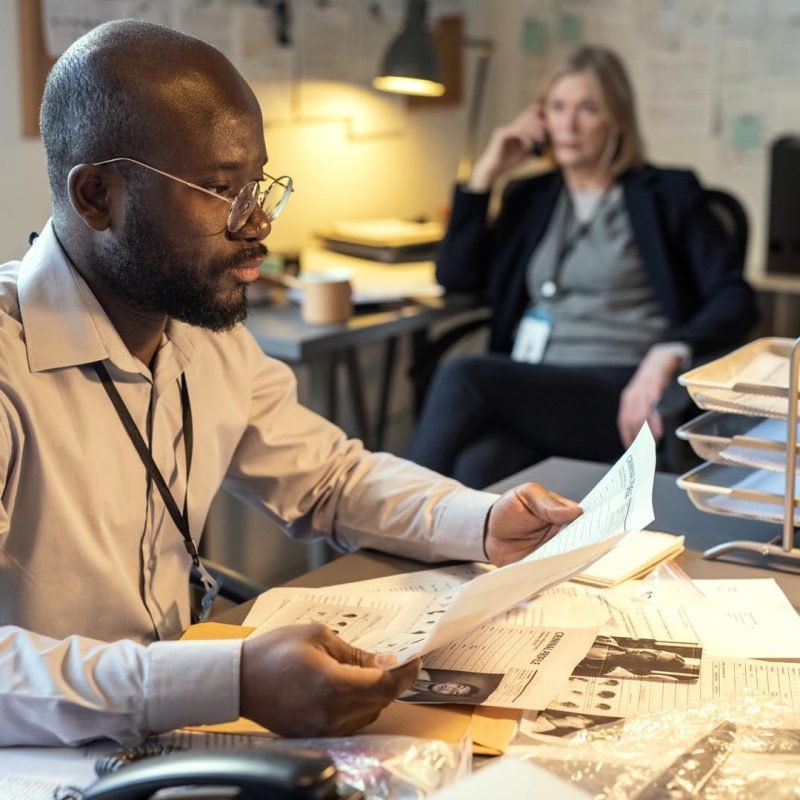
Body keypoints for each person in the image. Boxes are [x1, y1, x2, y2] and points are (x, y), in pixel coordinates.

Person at [0, 20, 584, 748]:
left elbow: (327, 480)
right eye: (219, 190)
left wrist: (482, 524)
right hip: (39, 758)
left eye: (258, 184)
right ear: (97, 197)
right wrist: (230, 678)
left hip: (175, 734)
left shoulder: (203, 336)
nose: (261, 222)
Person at [407, 45, 757, 488]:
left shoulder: (668, 193)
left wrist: (668, 352)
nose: (568, 125)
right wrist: (484, 177)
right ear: (541, 117)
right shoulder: (529, 198)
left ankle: (383, 523)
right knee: (480, 467)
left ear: (616, 119)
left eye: (588, 108)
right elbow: (456, 278)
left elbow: (734, 297)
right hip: (537, 388)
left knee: (462, 374)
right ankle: (408, 545)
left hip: (622, 392)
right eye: (557, 107)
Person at [574, 636, 688, 678]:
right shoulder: (606, 639)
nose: (643, 651)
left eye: (651, 657)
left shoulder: (600, 671)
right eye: (655, 651)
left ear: (644, 667)